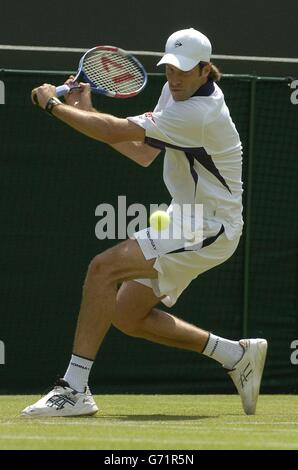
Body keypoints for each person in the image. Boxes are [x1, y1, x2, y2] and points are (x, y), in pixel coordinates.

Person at [22, 28, 267, 417]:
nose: (175, 78)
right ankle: (235, 355)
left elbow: (115, 131)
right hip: (187, 218)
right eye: (170, 68)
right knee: (126, 314)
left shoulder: (200, 112)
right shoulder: (178, 91)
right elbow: (141, 153)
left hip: (210, 226)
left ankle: (73, 389)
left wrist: (54, 105)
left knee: (103, 268)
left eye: (185, 71)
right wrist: (85, 109)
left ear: (207, 70)